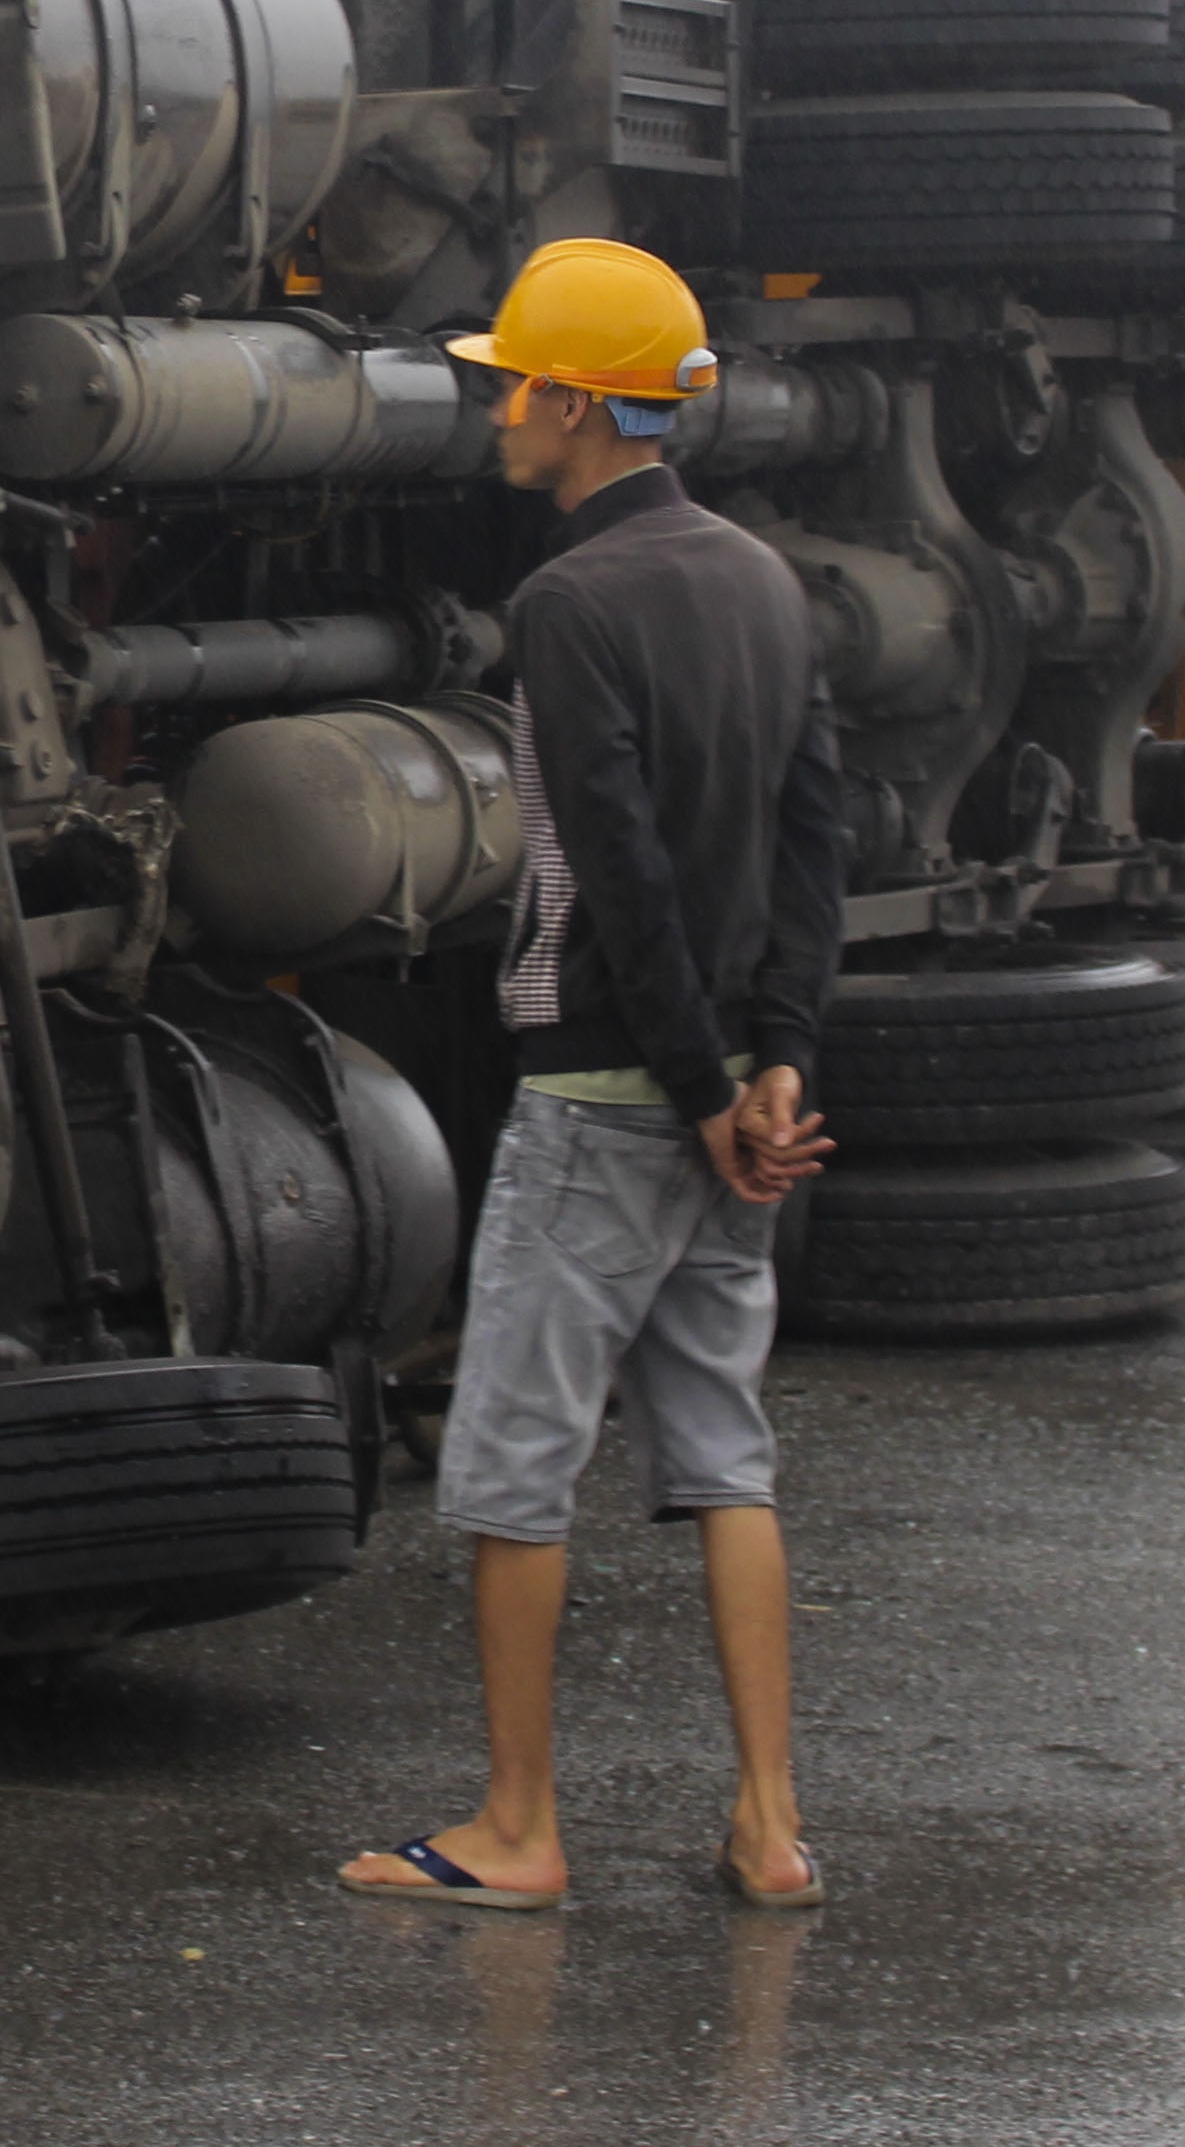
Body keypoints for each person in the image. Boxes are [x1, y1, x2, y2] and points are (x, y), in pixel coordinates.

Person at [339, 238, 843, 1915]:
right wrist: (776, 1066)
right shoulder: (766, 580)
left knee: (511, 1461)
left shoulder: (569, 602)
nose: (495, 411)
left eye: (510, 386)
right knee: (725, 1453)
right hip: (730, 1099)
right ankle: (770, 1826)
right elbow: (812, 841)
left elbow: (616, 868)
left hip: (607, 1090)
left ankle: (515, 1828)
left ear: (570, 401)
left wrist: (699, 1084)